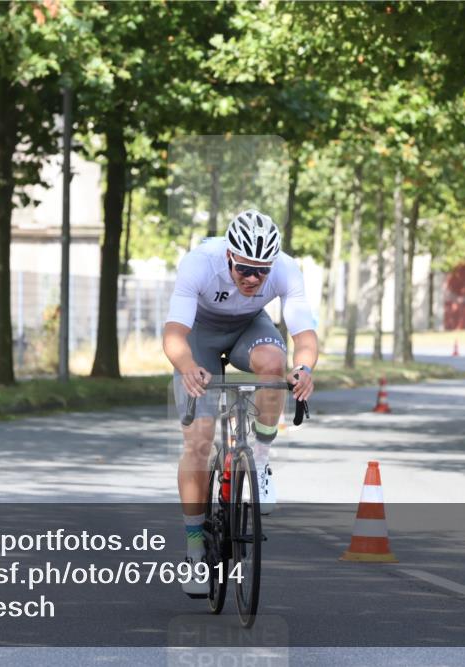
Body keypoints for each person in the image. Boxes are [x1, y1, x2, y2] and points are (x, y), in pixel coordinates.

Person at [162, 209, 318, 597]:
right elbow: (174, 333)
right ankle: (195, 549)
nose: (252, 279)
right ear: (230, 256)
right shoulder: (199, 264)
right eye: (245, 269)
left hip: (249, 328)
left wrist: (304, 369)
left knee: (275, 366)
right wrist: (187, 367)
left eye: (261, 272)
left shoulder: (285, 268)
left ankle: (260, 460)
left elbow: (305, 333)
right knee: (198, 441)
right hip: (201, 333)